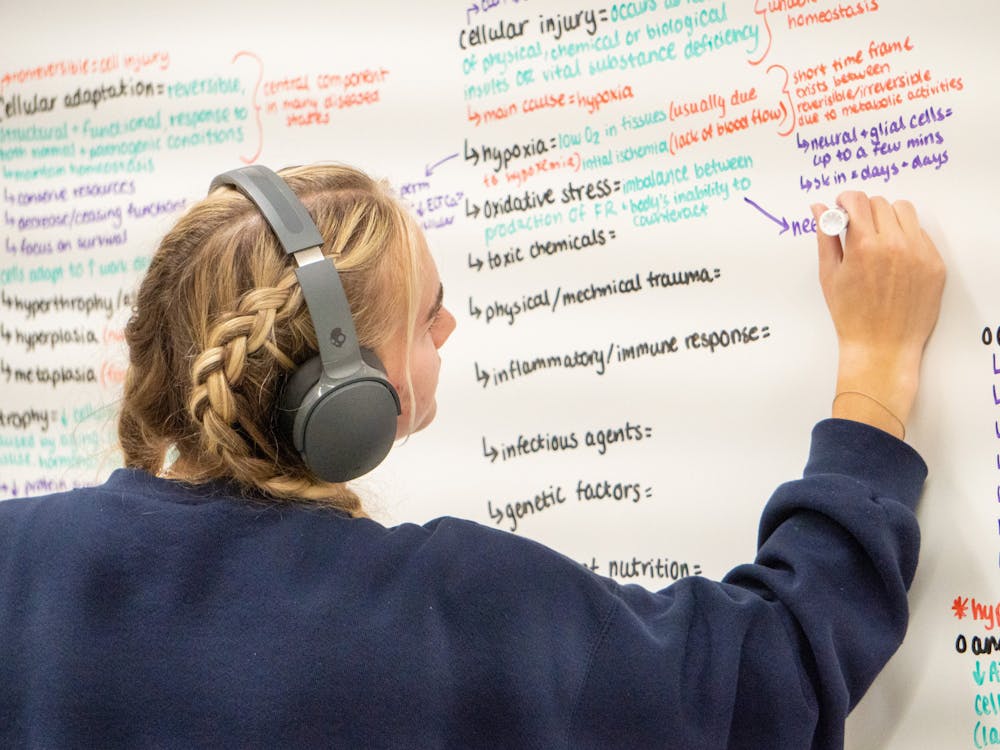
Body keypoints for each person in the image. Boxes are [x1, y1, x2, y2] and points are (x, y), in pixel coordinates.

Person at [0, 163, 945, 749]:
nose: (450, 325)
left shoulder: (17, 558)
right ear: (343, 393)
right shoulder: (447, 605)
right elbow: (766, 681)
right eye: (424, 313)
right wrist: (875, 369)